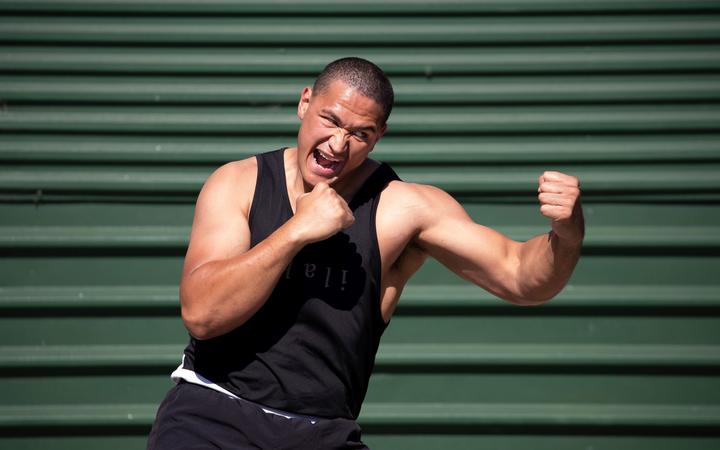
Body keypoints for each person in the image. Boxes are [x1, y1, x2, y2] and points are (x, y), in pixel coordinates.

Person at [147, 57, 584, 449]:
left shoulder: (405, 208)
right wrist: (297, 230)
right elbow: (202, 313)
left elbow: (521, 277)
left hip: (323, 433)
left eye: (360, 133)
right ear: (304, 103)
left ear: (379, 137)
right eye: (330, 120)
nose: (338, 145)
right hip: (211, 416)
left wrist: (566, 234)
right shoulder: (239, 184)